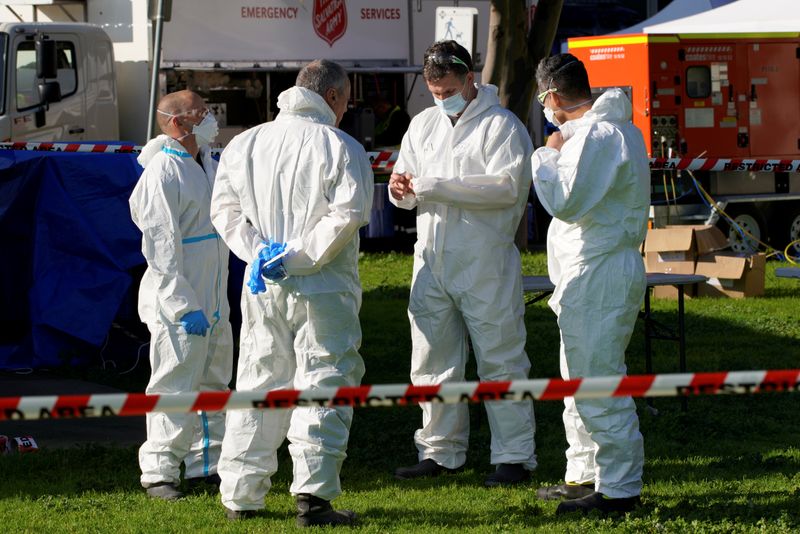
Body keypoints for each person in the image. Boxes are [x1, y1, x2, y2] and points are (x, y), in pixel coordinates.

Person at [210, 59, 373, 527]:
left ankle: (241, 495)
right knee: (325, 378)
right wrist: (297, 258)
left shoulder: (245, 143)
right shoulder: (340, 146)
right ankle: (314, 498)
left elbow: (223, 211)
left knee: (259, 380)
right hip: (323, 286)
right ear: (336, 98)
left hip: (263, 285)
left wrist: (259, 253)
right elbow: (346, 216)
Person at [388, 40, 537, 487]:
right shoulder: (422, 126)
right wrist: (403, 191)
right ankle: (440, 451)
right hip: (432, 258)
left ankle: (514, 456)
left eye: (448, 89)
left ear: (470, 78)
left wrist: (431, 185)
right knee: (431, 359)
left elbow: (506, 188)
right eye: (433, 92)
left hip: (484, 262)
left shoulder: (502, 126)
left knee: (501, 357)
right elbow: (410, 182)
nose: (440, 99)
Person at [530, 53, 650, 515]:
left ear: (552, 97)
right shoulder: (614, 132)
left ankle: (619, 489)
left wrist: (547, 155)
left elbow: (566, 199)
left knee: (597, 381)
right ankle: (584, 475)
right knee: (579, 380)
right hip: (591, 271)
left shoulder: (595, 137)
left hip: (598, 271)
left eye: (545, 101)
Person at [129, 90, 233, 501]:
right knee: (174, 383)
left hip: (212, 291)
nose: (210, 119)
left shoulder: (204, 162)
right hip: (181, 298)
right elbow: (160, 247)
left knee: (213, 379)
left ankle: (206, 463)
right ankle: (159, 472)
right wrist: (181, 304)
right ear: (178, 123)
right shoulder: (162, 172)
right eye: (201, 113)